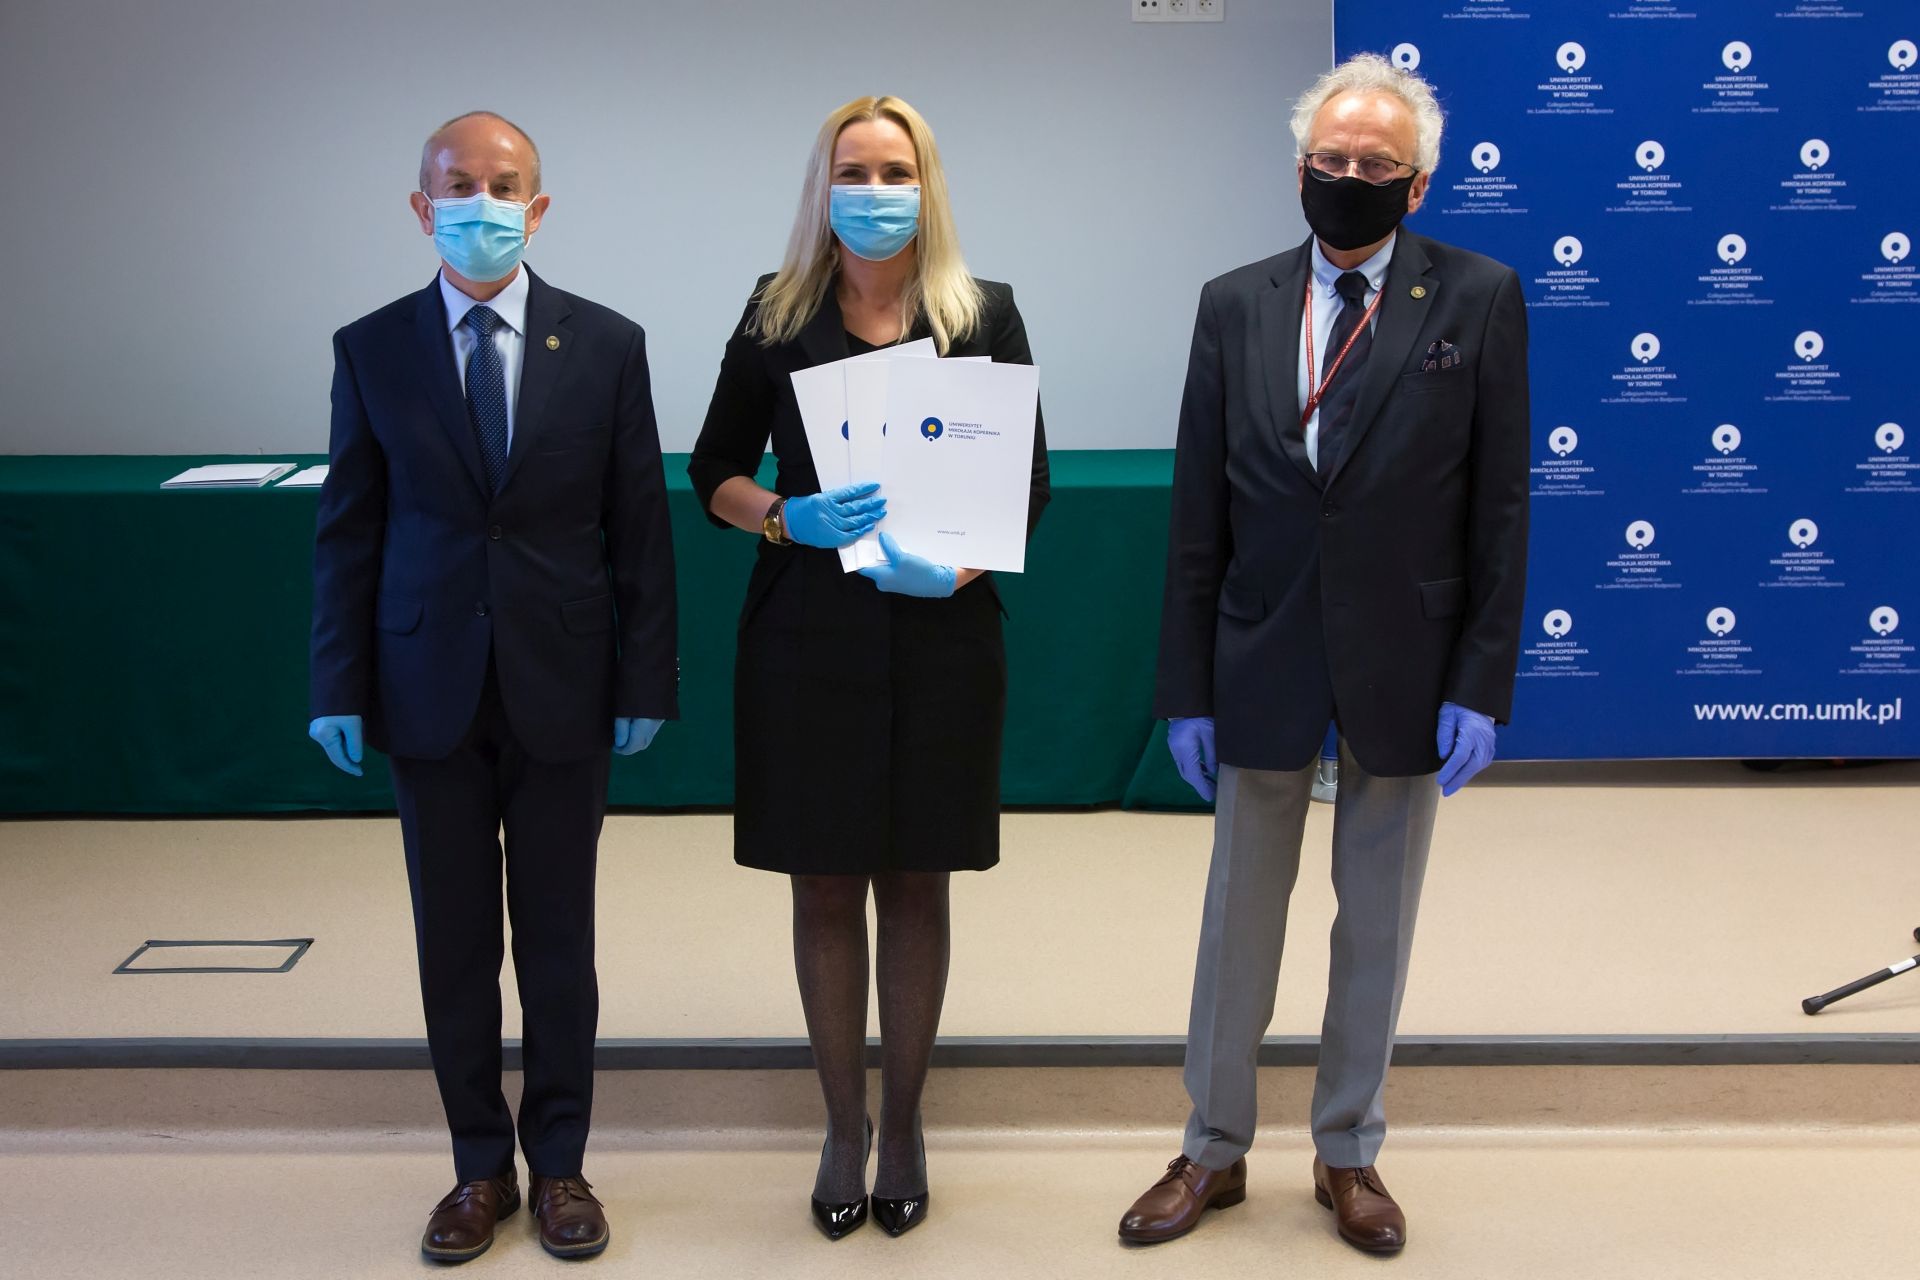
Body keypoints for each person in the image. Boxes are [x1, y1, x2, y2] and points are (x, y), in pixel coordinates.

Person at [1119, 54, 1528, 1256]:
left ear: (1417, 186)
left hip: (1409, 656)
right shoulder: (1234, 302)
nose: (1349, 175)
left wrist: (1481, 682)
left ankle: (1348, 1149)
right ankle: (1211, 1146)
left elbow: (1501, 507)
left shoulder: (1479, 297)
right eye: (1331, 158)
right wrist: (1186, 688)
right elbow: (1198, 510)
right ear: (1300, 166)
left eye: (1375, 163)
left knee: (1377, 923)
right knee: (1237, 920)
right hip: (1260, 649)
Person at [307, 111, 678, 1264]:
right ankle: (479, 1165)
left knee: (558, 937)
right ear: (422, 208)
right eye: (457, 186)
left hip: (565, 680)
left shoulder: (607, 343)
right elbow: (349, 528)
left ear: (539, 205)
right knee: (455, 941)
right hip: (426, 685)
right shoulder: (372, 347)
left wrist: (648, 674)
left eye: (503, 185)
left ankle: (560, 1162)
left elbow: (640, 525)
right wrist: (336, 680)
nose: (482, 204)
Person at [688, 95, 1048, 1240]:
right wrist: (783, 515)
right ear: (823, 186)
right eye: (856, 170)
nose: (876, 190)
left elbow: (1029, 481)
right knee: (827, 883)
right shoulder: (776, 311)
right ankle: (842, 1125)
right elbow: (711, 472)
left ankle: (905, 1124)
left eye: (898, 170)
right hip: (807, 638)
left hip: (943, 639)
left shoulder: (982, 312)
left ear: (927, 185)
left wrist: (958, 566)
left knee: (918, 880)